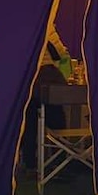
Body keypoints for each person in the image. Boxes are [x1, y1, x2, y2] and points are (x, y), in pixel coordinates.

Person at [20, 24, 71, 173]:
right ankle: (58, 162)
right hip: (46, 79)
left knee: (29, 124)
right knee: (56, 121)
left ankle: (29, 162)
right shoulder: (47, 25)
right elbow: (59, 53)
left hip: (26, 79)